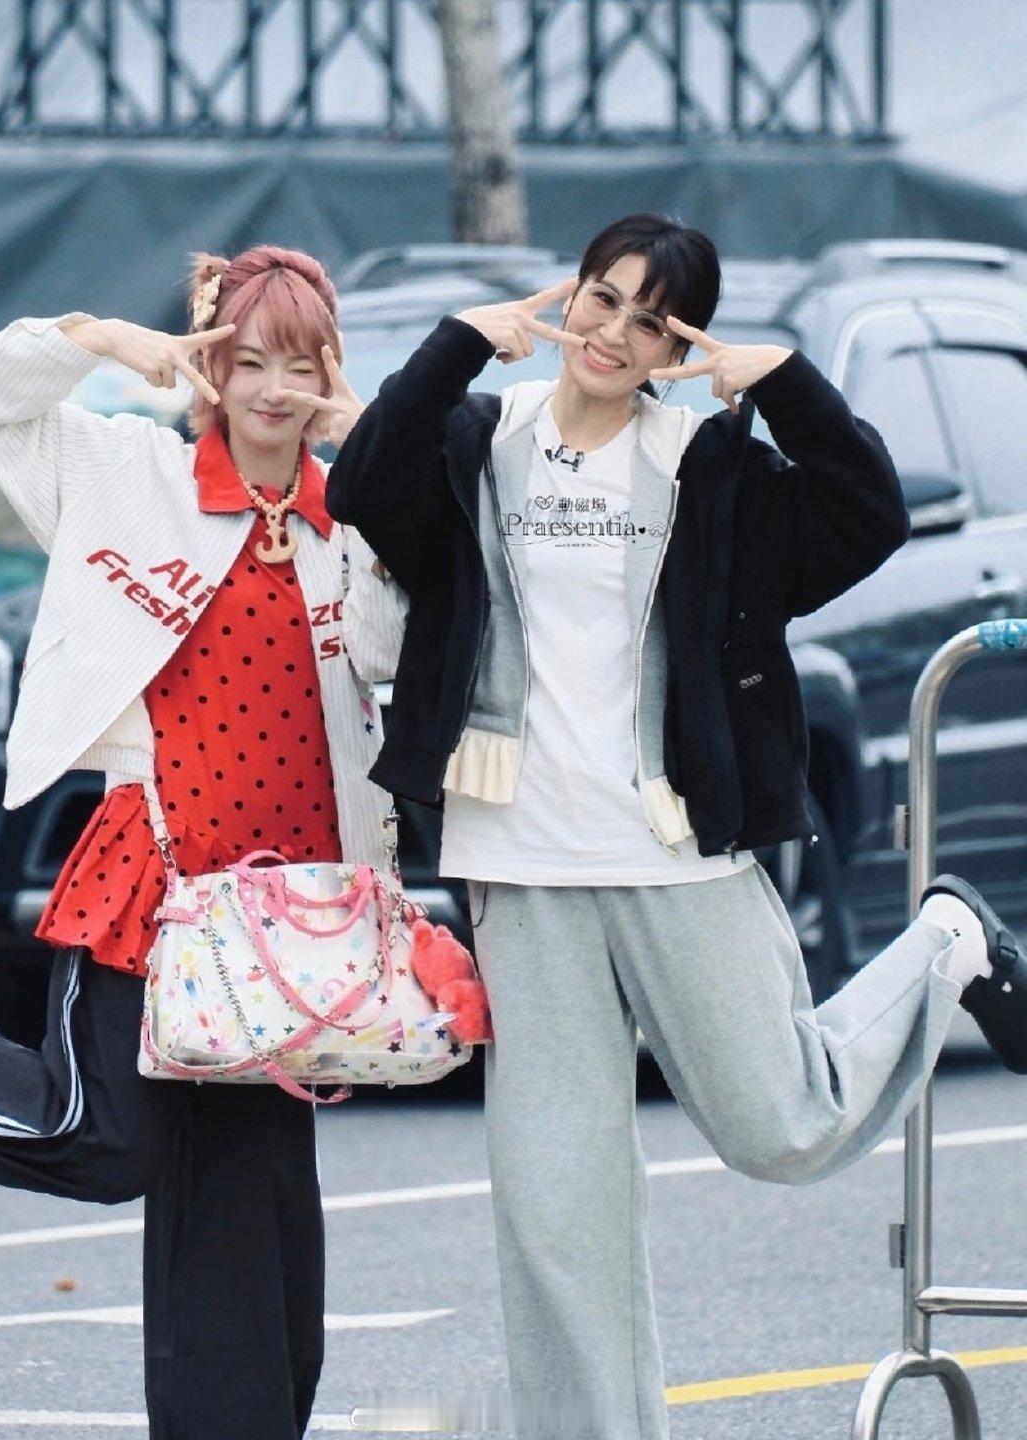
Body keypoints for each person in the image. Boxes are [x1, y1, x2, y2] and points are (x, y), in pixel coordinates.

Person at [325, 212, 1027, 1439]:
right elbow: (361, 485)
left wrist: (787, 383)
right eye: (603, 299)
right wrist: (456, 344)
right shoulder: (482, 442)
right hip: (520, 863)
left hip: (670, 849)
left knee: (783, 1123)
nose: (614, 333)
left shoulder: (708, 464)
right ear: (571, 297)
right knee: (558, 1213)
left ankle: (946, 943)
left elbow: (867, 516)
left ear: (675, 346)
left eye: (651, 321)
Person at [0, 244, 404, 1440]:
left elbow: (402, 645)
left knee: (253, 1224)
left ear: (332, 370)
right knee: (103, 1141)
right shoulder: (125, 472)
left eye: (300, 364)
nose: (274, 390)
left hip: (293, 927)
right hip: (156, 887)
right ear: (210, 369)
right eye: (248, 362)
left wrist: (371, 450)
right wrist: (102, 337)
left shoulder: (352, 516)